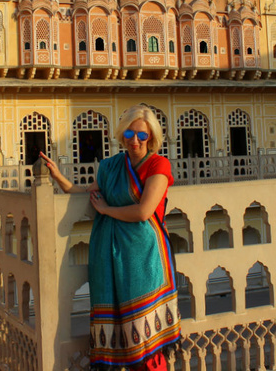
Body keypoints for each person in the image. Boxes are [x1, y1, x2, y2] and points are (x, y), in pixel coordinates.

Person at [40, 105, 180, 370]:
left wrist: (106, 210)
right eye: (129, 132)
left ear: (151, 136)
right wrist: (58, 176)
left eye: (141, 134)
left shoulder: (158, 164)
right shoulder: (112, 166)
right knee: (123, 338)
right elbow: (86, 193)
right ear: (121, 134)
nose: (134, 139)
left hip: (145, 258)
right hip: (114, 258)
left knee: (146, 340)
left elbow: (143, 212)